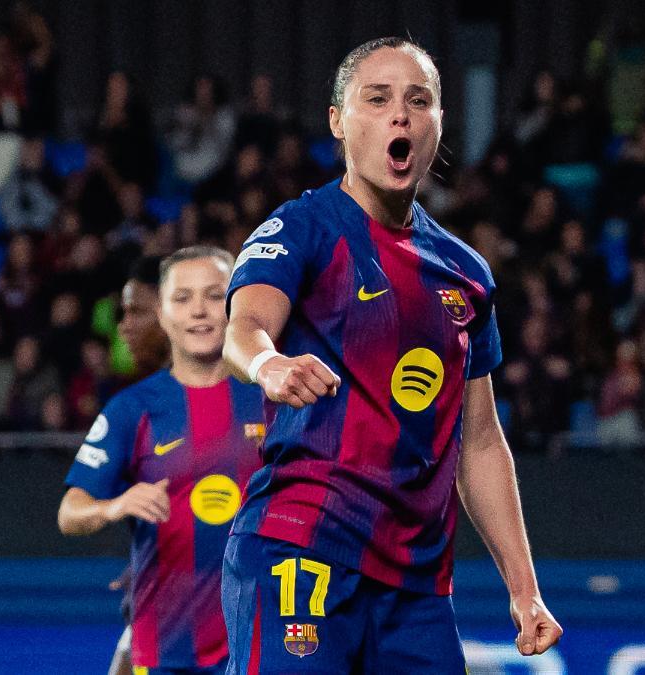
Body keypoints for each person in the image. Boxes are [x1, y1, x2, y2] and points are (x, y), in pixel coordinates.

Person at [221, 37, 561, 673]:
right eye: (376, 99)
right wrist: (269, 365)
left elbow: (480, 442)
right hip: (302, 548)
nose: (400, 114)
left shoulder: (466, 274)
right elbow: (245, 326)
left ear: (438, 124)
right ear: (337, 121)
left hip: (417, 590)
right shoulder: (301, 227)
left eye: (418, 101)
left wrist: (524, 588)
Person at [59, 246, 266, 674]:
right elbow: (70, 512)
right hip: (165, 651)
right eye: (182, 298)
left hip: (260, 647)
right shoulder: (131, 409)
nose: (199, 311)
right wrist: (114, 505)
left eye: (214, 295)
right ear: (163, 314)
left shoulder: (272, 399)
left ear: (236, 305)